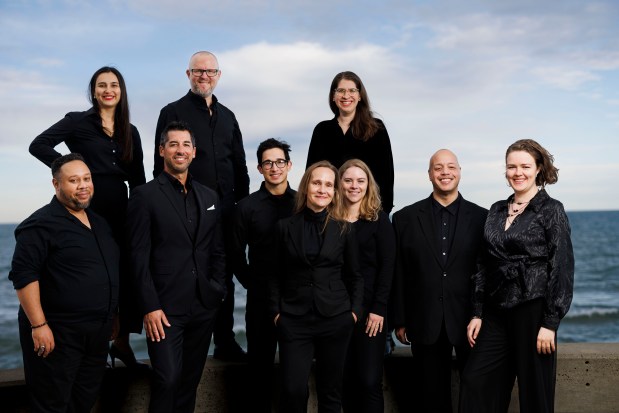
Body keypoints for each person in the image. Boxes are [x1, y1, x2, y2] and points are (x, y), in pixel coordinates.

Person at [29, 66, 146, 368]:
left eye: (114, 85)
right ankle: (91, 344)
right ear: (93, 91)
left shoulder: (129, 131)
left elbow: (138, 179)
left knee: (125, 272)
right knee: (95, 275)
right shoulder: (77, 121)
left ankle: (121, 343)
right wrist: (72, 170)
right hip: (88, 207)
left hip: (122, 207)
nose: (109, 90)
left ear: (121, 91)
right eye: (102, 85)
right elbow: (38, 144)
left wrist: (142, 213)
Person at [460, 139, 574, 413]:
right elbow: (482, 263)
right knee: (474, 380)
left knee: (535, 394)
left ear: (538, 169)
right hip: (495, 313)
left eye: (525, 166)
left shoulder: (551, 209)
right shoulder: (497, 209)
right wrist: (476, 312)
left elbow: (562, 267)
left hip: (533, 312)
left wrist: (550, 322)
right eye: (512, 166)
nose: (517, 172)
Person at [154, 51, 250, 361]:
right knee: (188, 271)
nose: (204, 76)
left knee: (224, 276)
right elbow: (160, 166)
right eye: (198, 71)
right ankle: (183, 340)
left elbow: (239, 163)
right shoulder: (172, 111)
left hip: (226, 210)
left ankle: (224, 340)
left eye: (210, 71)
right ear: (188, 74)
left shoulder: (229, 116)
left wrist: (242, 207)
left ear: (218, 75)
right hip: (187, 210)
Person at [127, 121, 227, 413]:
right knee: (167, 379)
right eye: (173, 144)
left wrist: (217, 289)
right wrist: (149, 306)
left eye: (186, 145)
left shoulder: (209, 196)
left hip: (203, 305)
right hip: (164, 310)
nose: (180, 150)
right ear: (162, 151)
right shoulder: (145, 196)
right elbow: (137, 256)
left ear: (194, 152)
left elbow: (217, 250)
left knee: (189, 382)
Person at [9, 153, 120, 412]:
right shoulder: (39, 224)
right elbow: (24, 276)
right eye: (73, 180)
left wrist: (113, 315)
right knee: (52, 404)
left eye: (87, 178)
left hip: (96, 333)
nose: (83, 185)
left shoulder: (100, 223)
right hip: (58, 333)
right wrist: (39, 325)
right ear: (56, 185)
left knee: (83, 401)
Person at [391, 149, 487, 413]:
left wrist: (485, 315)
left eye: (451, 167)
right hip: (424, 319)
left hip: (471, 322)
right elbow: (399, 271)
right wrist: (399, 319)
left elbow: (487, 270)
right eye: (438, 168)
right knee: (431, 396)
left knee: (477, 392)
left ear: (459, 172)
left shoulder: (483, 217)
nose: (445, 172)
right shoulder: (404, 218)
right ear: (430, 175)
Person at [269, 161, 364, 413]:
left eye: (328, 185)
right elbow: (273, 275)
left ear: (334, 192)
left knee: (331, 392)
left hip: (335, 318)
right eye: (317, 183)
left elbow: (355, 276)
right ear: (306, 186)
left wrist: (353, 313)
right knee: (292, 389)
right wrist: (277, 314)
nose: (322, 189)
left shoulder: (344, 229)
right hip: (294, 319)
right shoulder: (284, 228)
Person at [231, 138, 296, 412]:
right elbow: (235, 255)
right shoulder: (245, 207)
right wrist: (254, 285)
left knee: (295, 375)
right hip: (259, 303)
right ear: (259, 168)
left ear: (289, 165)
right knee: (259, 372)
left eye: (279, 161)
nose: (274, 167)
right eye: (268, 162)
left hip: (296, 299)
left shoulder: (302, 203)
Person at [338, 159, 395, 413]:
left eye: (360, 181)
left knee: (369, 380)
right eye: (348, 180)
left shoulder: (379, 220)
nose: (354, 186)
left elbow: (388, 267)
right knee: (344, 379)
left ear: (368, 185)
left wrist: (379, 308)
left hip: (371, 311)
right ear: (339, 184)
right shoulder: (330, 220)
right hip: (336, 310)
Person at [306, 71, 394, 213]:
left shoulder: (376, 128)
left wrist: (381, 213)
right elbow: (311, 174)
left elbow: (386, 177)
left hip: (367, 211)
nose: (346, 96)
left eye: (352, 90)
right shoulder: (322, 130)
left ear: (360, 96)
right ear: (333, 96)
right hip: (329, 212)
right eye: (341, 91)